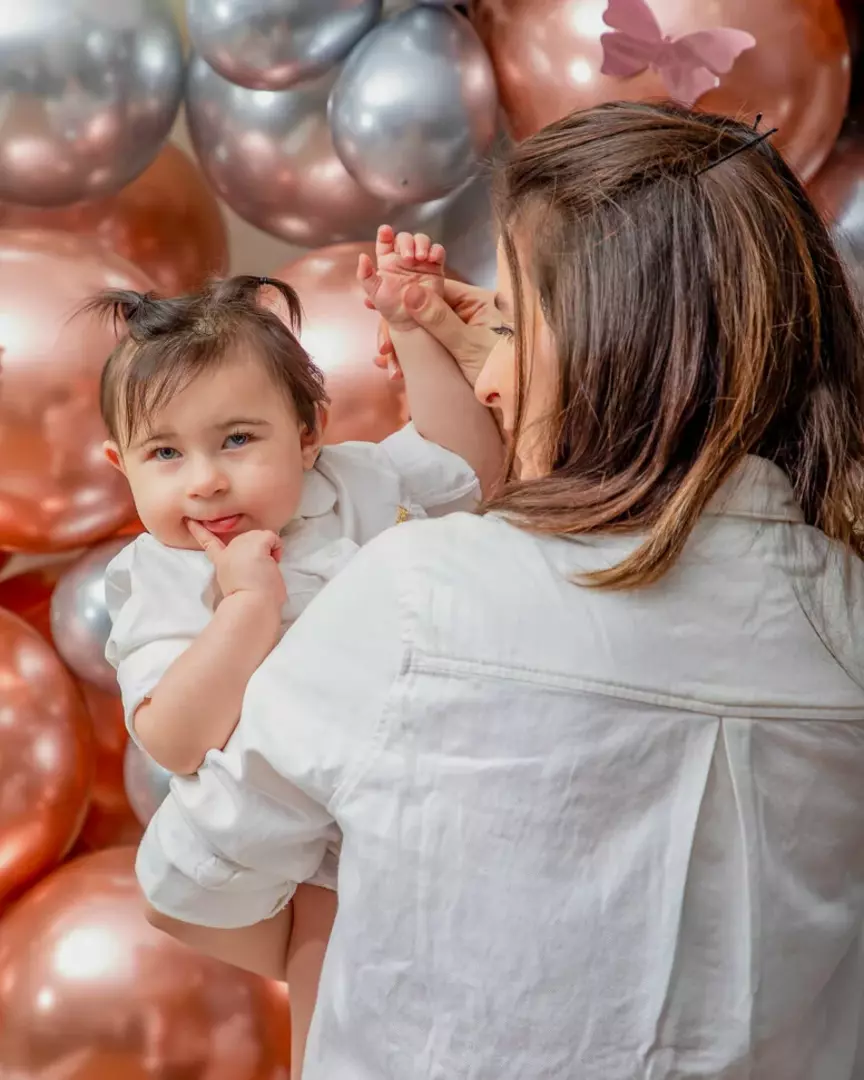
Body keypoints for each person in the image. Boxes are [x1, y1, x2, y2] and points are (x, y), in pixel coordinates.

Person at [136, 101, 864, 1079]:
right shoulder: (846, 624)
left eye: (516, 324)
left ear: (613, 348)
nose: (490, 378)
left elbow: (192, 879)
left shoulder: (418, 598)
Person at [93, 229, 502, 1077]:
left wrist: (415, 329)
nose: (203, 479)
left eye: (237, 440)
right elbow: (173, 739)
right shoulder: (163, 573)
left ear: (309, 433)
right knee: (338, 1017)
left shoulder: (354, 480)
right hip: (316, 842)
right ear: (120, 467)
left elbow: (473, 465)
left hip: (449, 789)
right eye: (165, 454)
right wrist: (245, 606)